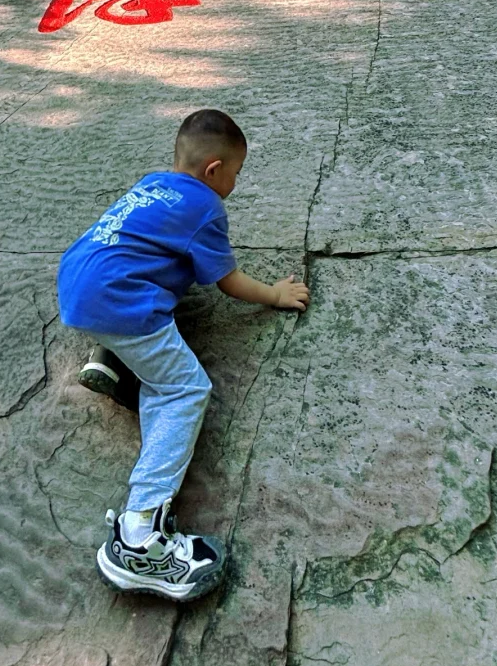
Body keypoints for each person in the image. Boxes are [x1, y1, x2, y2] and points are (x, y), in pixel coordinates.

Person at [57, 109, 311, 602]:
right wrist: (275, 296)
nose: (236, 182)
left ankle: (111, 356)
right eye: (237, 172)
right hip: (120, 301)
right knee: (183, 389)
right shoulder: (207, 207)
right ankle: (139, 536)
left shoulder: (154, 183)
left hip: (79, 284)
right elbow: (229, 282)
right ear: (215, 170)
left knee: (171, 292)